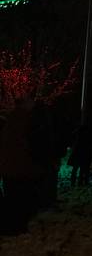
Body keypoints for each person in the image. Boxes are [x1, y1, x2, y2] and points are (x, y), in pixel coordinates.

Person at [0, 95, 46, 235]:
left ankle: (13, 226)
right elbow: (28, 146)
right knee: (21, 200)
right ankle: (15, 227)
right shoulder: (27, 121)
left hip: (11, 168)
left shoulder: (12, 120)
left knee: (14, 198)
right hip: (21, 169)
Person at [69, 122, 92, 187]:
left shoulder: (80, 133)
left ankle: (75, 182)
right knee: (82, 168)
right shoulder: (89, 133)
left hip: (79, 152)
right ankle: (81, 182)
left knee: (77, 168)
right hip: (84, 152)